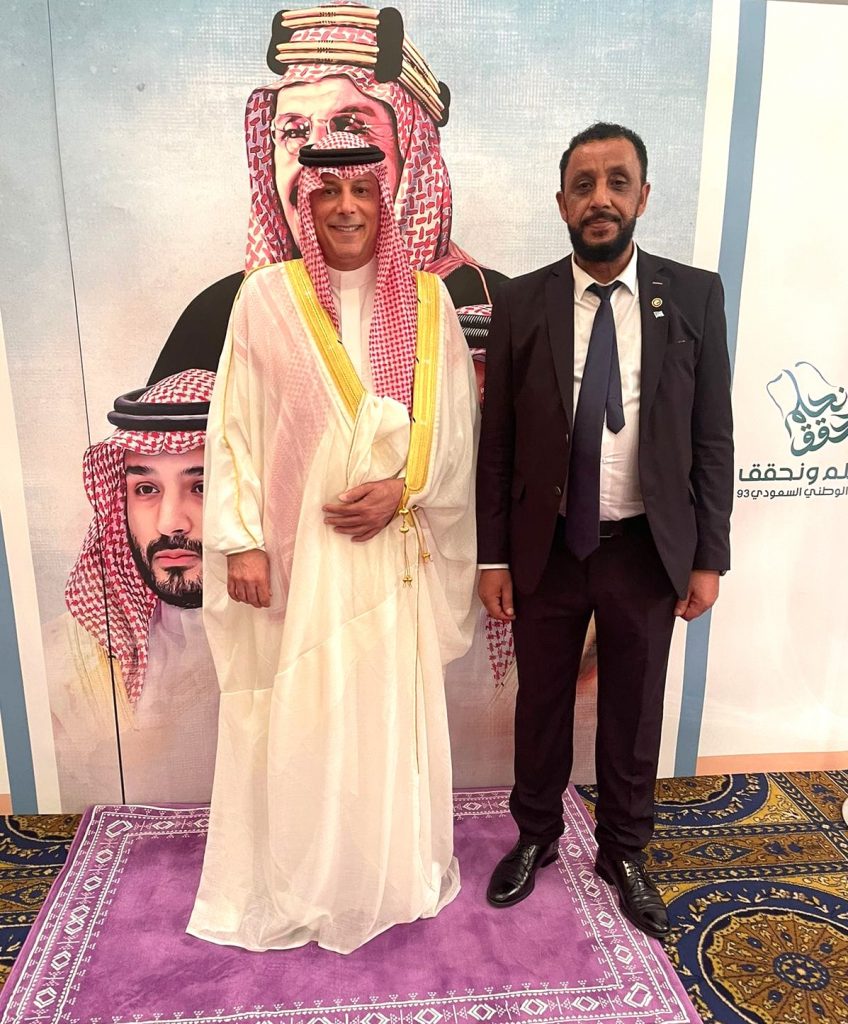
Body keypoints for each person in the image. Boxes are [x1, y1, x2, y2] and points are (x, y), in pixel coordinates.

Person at [187, 131, 478, 954]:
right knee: (306, 711)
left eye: (362, 191)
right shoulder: (266, 297)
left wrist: (404, 488)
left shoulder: (430, 302)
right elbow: (234, 427)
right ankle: (305, 878)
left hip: (390, 555)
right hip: (299, 558)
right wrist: (241, 542)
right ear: (304, 205)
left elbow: (457, 429)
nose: (346, 208)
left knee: (383, 709)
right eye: (328, 193)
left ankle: (385, 870)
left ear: (385, 201)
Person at [476, 123, 733, 938]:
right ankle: (536, 835)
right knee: (541, 705)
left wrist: (709, 557)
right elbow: (497, 443)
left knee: (634, 711)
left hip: (647, 551)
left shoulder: (693, 296)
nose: (600, 199)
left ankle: (625, 850)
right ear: (561, 203)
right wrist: (492, 557)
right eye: (583, 185)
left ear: (643, 196)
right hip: (546, 548)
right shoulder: (522, 301)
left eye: (617, 182)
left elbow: (712, 435)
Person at [149, 2, 505, 383]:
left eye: (351, 126)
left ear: (413, 157)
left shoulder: (481, 304)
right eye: (294, 131)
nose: (317, 159)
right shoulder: (225, 313)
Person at [45, 369, 219, 811]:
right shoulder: (67, 661)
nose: (170, 522)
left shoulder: (312, 643)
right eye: (145, 489)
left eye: (202, 486)